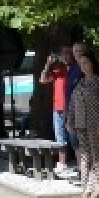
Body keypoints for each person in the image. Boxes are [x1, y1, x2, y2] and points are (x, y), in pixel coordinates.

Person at [65, 47, 99, 197]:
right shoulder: (79, 83)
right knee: (85, 155)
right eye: (81, 63)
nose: (83, 66)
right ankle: (86, 186)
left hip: (95, 122)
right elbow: (72, 104)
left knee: (96, 155)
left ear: (92, 63)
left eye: (86, 62)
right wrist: (69, 121)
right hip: (80, 123)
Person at [41, 45, 75, 178]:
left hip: (71, 108)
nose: (65, 55)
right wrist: (48, 64)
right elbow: (43, 79)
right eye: (63, 53)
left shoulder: (74, 69)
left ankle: (78, 163)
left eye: (67, 53)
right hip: (58, 108)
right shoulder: (57, 69)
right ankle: (62, 164)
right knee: (60, 138)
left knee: (74, 138)